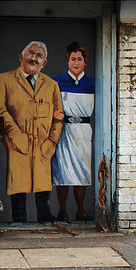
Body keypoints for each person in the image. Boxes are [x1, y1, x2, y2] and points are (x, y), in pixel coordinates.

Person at [0, 41, 63, 223]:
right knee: (18, 182)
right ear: (21, 57)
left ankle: (44, 217)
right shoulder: (5, 79)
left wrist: (52, 141)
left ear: (44, 62)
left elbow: (59, 116)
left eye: (39, 55)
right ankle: (19, 219)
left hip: (43, 143)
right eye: (31, 53)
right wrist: (15, 134)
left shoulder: (51, 85)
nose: (34, 58)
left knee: (42, 182)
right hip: (17, 141)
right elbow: (1, 110)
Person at [51, 41, 95, 222]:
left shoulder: (92, 83)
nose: (76, 63)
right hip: (63, 130)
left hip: (83, 132)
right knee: (62, 172)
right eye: (72, 59)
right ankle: (62, 210)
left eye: (79, 59)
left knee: (81, 173)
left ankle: (80, 211)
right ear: (68, 61)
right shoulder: (57, 82)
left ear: (85, 62)